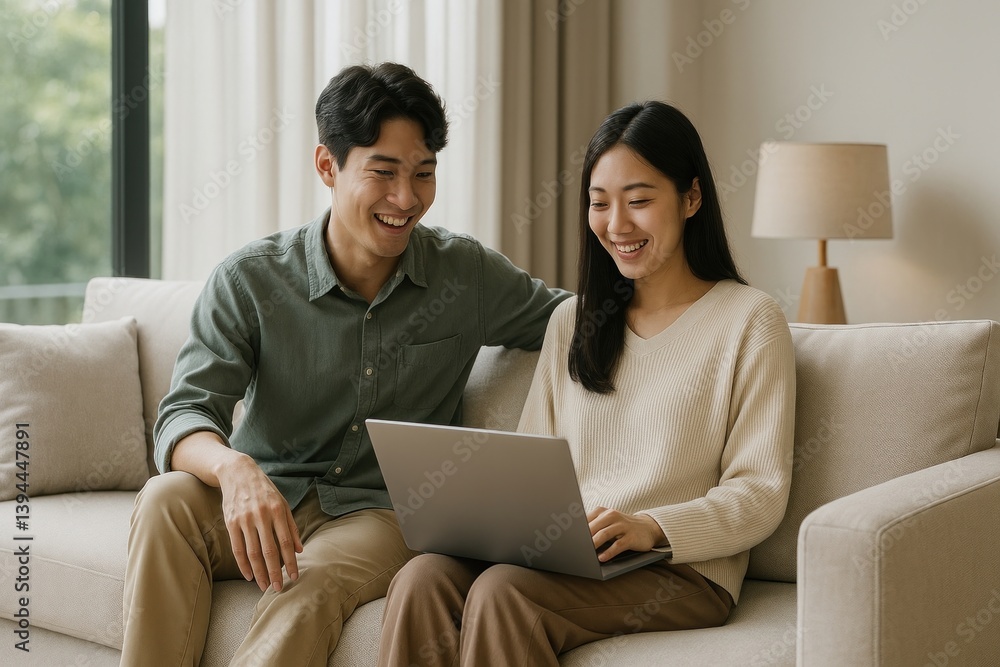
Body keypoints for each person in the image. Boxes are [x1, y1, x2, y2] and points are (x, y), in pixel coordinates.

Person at [120, 62, 569, 667]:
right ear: (327, 166)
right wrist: (235, 471)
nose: (406, 200)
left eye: (423, 174)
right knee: (163, 501)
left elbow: (578, 322)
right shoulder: (250, 280)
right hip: (267, 493)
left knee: (307, 582)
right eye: (382, 173)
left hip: (382, 512)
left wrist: (709, 309)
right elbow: (184, 415)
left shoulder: (466, 276)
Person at [378, 101, 797, 666]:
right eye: (600, 204)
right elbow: (526, 463)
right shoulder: (573, 321)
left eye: (640, 200)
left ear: (691, 198)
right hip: (563, 555)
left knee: (506, 596)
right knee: (421, 578)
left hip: (679, 570)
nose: (617, 225)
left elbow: (760, 494)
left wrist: (651, 526)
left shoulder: (751, 320)